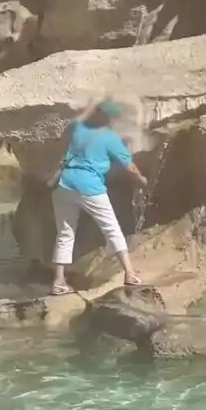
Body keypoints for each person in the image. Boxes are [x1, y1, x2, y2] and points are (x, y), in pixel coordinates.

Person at [48, 98, 149, 296]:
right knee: (111, 228)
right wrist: (141, 179)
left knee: (65, 234)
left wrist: (93, 103)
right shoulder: (109, 137)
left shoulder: (77, 127)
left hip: (65, 184)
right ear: (110, 119)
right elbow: (130, 166)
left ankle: (58, 281)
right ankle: (130, 273)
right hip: (89, 186)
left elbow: (81, 115)